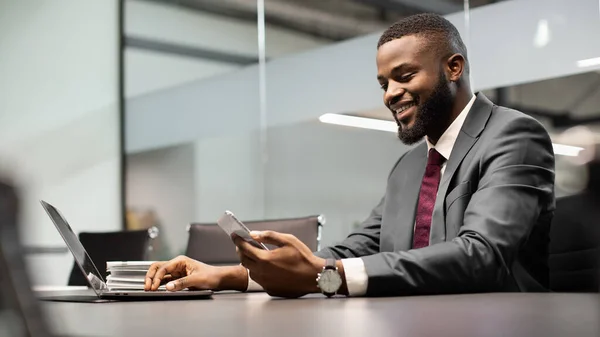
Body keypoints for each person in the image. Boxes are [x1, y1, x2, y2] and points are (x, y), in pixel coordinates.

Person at [145, 13, 555, 298]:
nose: (390, 93)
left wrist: (328, 277)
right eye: (383, 83)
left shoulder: (513, 135)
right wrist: (230, 276)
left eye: (405, 75)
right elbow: (353, 251)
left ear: (453, 67)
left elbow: (481, 254)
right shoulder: (410, 166)